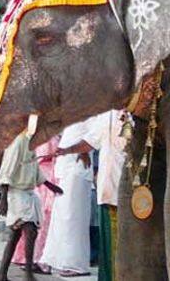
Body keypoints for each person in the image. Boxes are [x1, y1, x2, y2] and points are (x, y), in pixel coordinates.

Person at [51, 111, 127, 281]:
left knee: (122, 246)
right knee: (108, 247)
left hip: (125, 190)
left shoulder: (131, 113)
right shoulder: (105, 115)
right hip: (106, 189)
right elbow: (91, 141)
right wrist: (67, 150)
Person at [0, 132, 63, 281]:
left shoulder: (31, 142)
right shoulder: (18, 141)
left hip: (28, 193)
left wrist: (50, 185)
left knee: (15, 235)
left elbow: (34, 168)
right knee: (30, 231)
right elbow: (7, 170)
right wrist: (3, 199)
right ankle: (28, 274)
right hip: (16, 193)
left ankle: (2, 274)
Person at [40, 118, 97, 277]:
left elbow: (94, 135)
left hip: (78, 168)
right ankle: (53, 260)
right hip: (65, 168)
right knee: (60, 217)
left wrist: (84, 150)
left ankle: (76, 265)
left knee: (73, 218)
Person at [11, 135, 60, 272]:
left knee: (40, 218)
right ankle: (30, 257)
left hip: (46, 176)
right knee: (37, 218)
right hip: (42, 176)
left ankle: (32, 257)